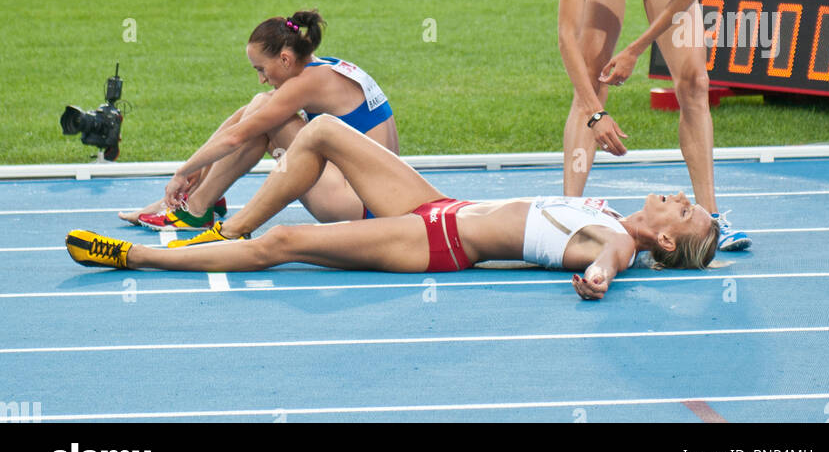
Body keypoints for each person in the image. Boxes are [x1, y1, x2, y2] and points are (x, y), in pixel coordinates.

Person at [68, 115, 720, 297]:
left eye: (686, 213)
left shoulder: (625, 244)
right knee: (320, 131)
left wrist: (601, 275)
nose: (682, 200)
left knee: (285, 246)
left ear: (663, 243)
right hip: (441, 206)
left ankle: (141, 256)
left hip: (437, 246)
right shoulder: (610, 211)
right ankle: (218, 230)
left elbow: (606, 258)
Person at [558, 0, 751, 251]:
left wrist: (635, 48)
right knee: (592, 76)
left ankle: (711, 218)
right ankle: (570, 215)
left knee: (695, 82)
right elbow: (565, 33)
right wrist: (596, 114)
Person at [118, 11, 399, 230]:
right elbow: (240, 123)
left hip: (362, 208)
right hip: (373, 197)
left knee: (263, 113)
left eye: (262, 69)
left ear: (286, 60)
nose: (262, 78)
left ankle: (196, 209)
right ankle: (196, 198)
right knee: (258, 105)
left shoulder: (308, 82)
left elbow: (236, 137)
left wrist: (181, 172)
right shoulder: (325, 67)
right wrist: (197, 167)